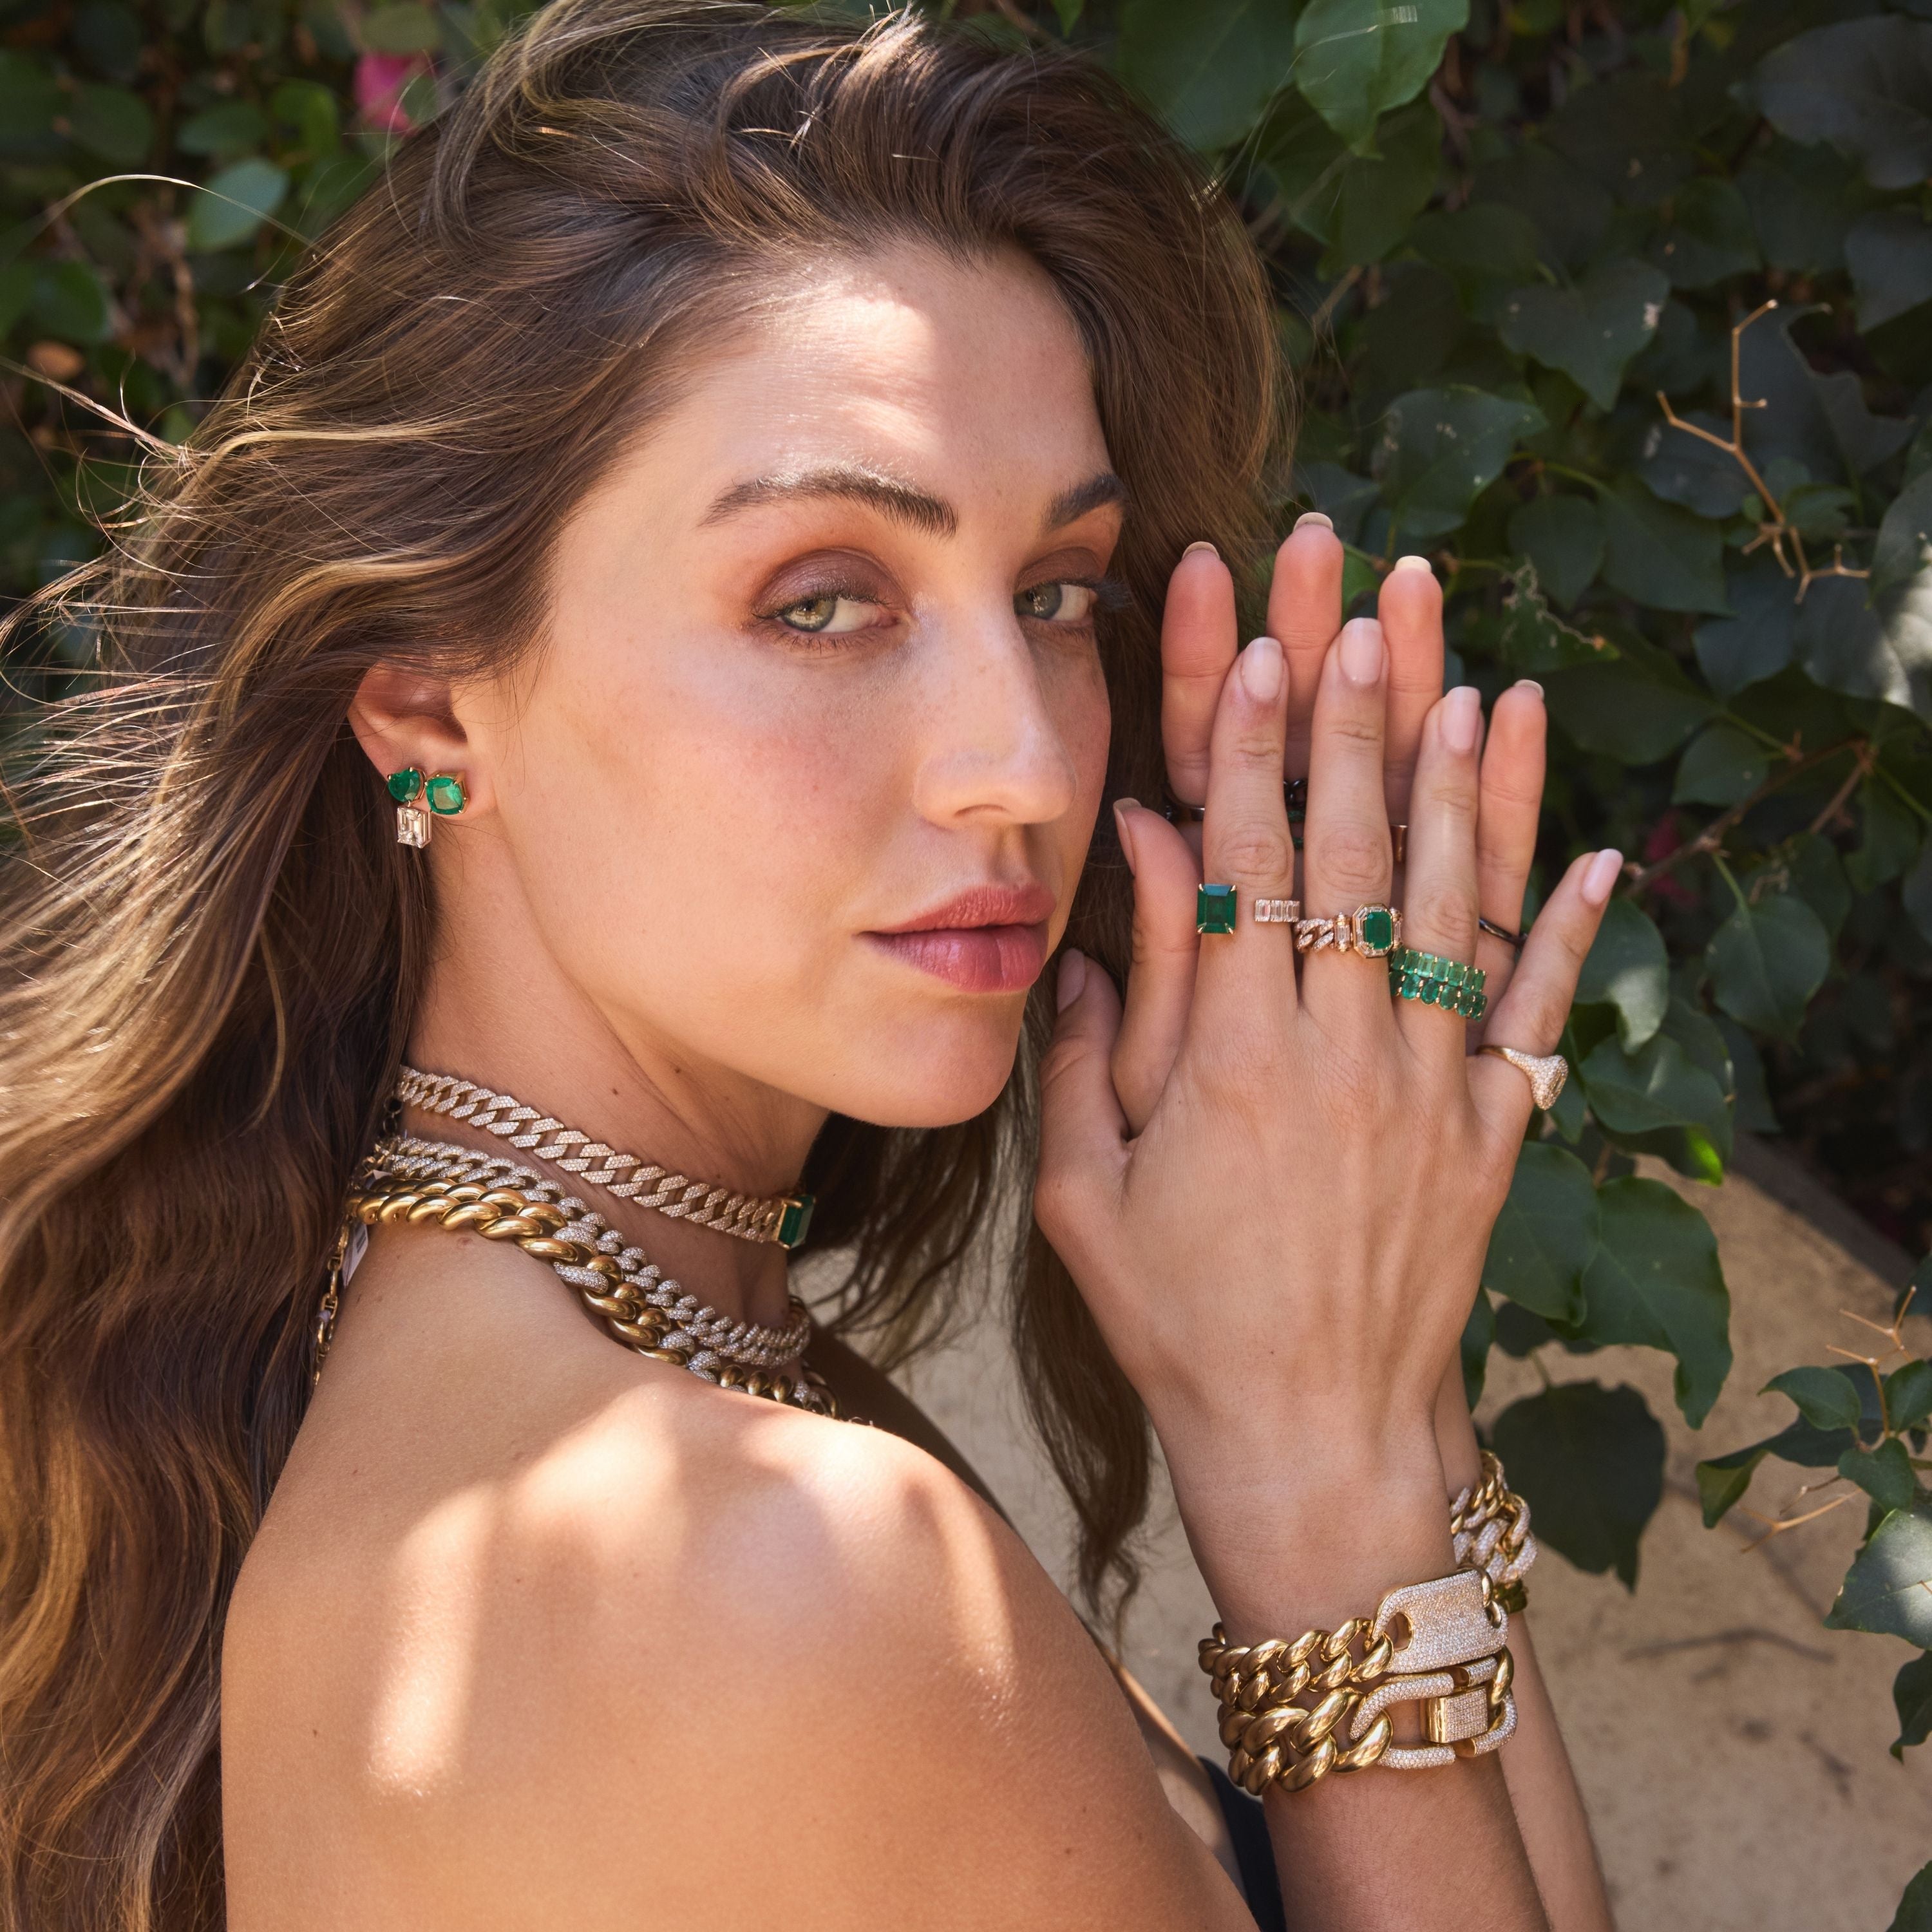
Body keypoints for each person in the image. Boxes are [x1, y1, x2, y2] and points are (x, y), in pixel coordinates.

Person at [0, 5, 1624, 1927]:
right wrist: (1320, 1491)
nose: (1026, 763)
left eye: (1056, 595)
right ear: (430, 703)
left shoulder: (643, 1391)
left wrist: (1369, 1367)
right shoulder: (748, 1563)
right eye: (824, 602)